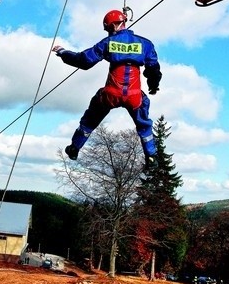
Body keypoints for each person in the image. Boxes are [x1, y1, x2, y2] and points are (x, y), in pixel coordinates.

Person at [53, 9, 162, 170]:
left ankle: (75, 147)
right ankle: (151, 157)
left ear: (111, 26)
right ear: (123, 21)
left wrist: (63, 52)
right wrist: (153, 86)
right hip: (134, 95)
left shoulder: (108, 43)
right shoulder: (145, 44)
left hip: (111, 93)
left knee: (91, 118)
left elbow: (83, 61)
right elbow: (153, 69)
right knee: (144, 122)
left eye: (109, 29)